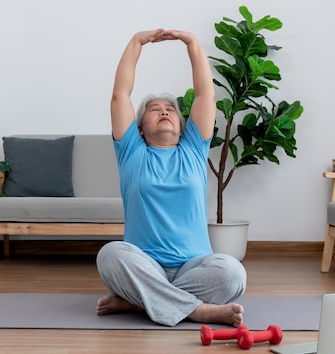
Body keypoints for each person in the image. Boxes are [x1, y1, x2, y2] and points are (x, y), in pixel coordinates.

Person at [96, 29, 247, 327]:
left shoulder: (193, 149)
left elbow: (206, 94)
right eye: (155, 110)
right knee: (110, 254)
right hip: (144, 265)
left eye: (170, 110)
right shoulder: (131, 151)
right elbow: (120, 95)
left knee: (233, 273)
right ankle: (197, 311)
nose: (164, 112)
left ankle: (141, 303)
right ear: (140, 128)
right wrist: (137, 41)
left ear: (182, 126)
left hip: (195, 266)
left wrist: (191, 42)